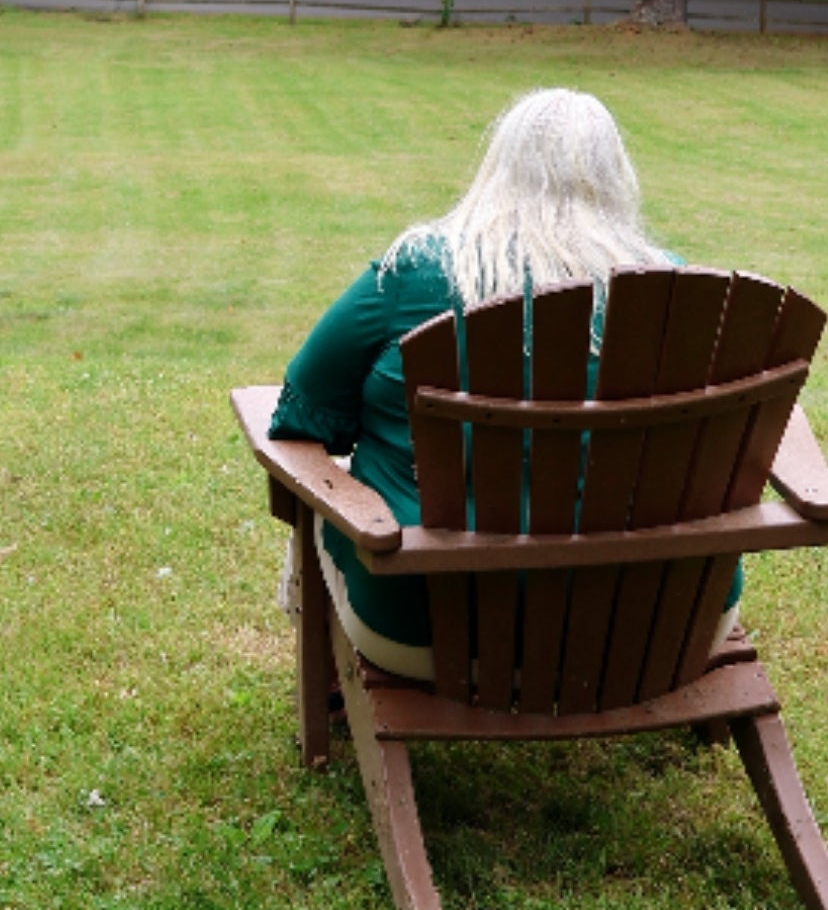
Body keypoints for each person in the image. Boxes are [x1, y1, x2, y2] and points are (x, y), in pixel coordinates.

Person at [267, 87, 738, 679]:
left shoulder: (415, 274)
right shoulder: (674, 289)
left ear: (498, 167)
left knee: (326, 488)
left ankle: (326, 687)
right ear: (617, 177)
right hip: (672, 620)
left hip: (429, 627)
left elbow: (304, 413)